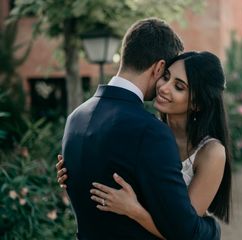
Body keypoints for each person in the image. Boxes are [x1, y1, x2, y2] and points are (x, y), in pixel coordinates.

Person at [60, 18, 221, 240]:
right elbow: (186, 232)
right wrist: (213, 229)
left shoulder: (75, 118)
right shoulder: (151, 131)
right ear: (159, 67)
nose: (164, 87)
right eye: (166, 76)